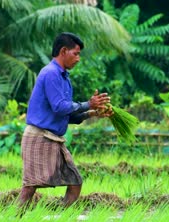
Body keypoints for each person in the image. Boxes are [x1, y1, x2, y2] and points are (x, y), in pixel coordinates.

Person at [18, 32, 112, 210]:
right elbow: (60, 107)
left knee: (75, 181)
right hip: (39, 138)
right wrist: (87, 103)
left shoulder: (64, 78)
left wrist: (92, 112)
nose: (78, 59)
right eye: (75, 53)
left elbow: (68, 116)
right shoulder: (51, 73)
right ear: (63, 51)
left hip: (54, 139)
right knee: (30, 186)